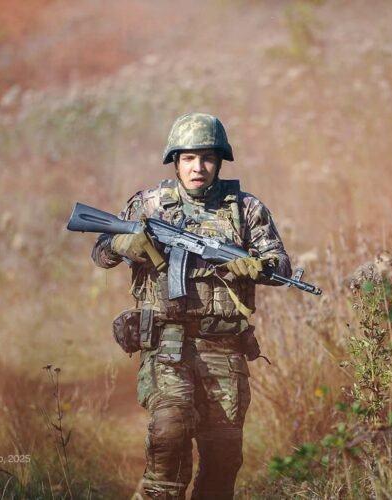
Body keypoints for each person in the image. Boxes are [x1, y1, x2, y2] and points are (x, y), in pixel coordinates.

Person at [92, 112, 291, 499]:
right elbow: (100, 251)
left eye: (207, 158)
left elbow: (281, 266)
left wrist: (257, 267)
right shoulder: (149, 205)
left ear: (219, 161)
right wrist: (122, 244)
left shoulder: (246, 209)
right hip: (166, 344)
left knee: (224, 458)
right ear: (175, 161)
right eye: (188, 158)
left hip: (225, 349)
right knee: (170, 431)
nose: (198, 167)